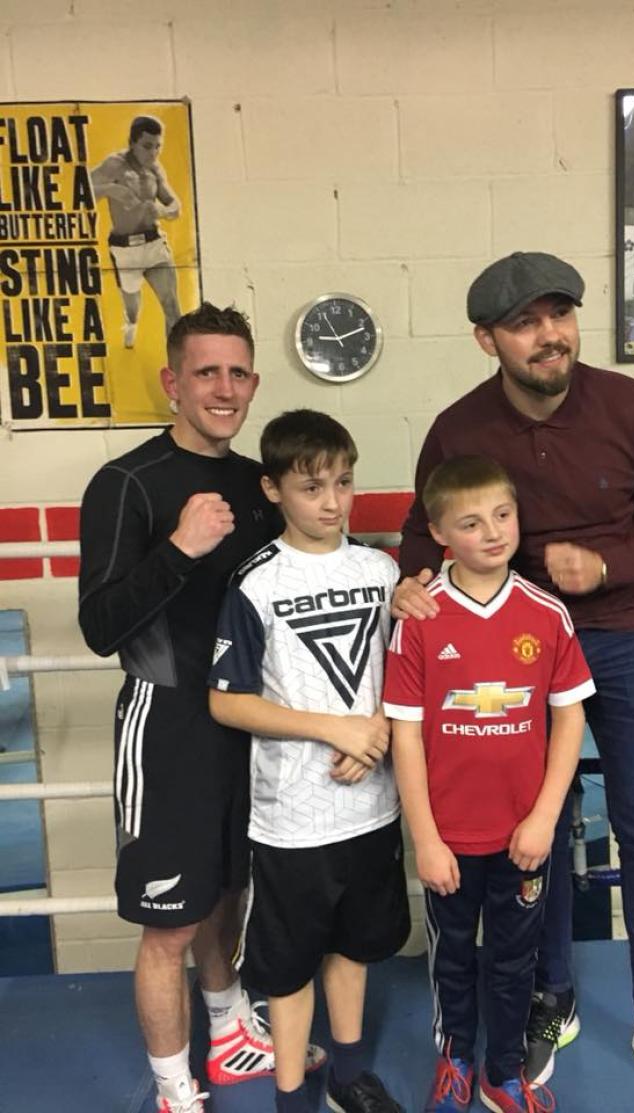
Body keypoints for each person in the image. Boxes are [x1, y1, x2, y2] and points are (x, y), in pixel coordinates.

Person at [394, 252, 634, 1113]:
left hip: (617, 639)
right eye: (526, 323)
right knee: (536, 829)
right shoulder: (456, 427)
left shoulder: (632, 405)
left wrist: (609, 562)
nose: (550, 336)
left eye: (560, 315)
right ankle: (554, 992)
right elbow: (420, 534)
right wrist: (407, 580)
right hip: (516, 661)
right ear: (486, 339)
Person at [78, 304, 324, 1113]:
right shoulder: (127, 483)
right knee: (170, 922)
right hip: (167, 720)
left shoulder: (256, 482)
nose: (224, 388)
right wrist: (177, 549)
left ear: (253, 381)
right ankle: (173, 1086)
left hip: (243, 721)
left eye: (237, 372)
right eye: (206, 372)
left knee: (227, 892)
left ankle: (229, 1028)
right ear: (172, 382)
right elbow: (99, 624)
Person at [208, 409, 410, 1113]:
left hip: (372, 805)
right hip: (293, 817)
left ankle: (349, 1075)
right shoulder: (256, 581)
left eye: (344, 482)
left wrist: (376, 728)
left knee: (354, 948)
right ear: (273, 490)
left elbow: (405, 676)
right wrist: (333, 728)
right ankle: (292, 1094)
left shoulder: (381, 570)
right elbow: (227, 701)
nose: (332, 501)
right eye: (312, 486)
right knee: (288, 969)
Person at [383, 455, 594, 1113]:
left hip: (521, 835)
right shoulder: (418, 615)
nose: (493, 531)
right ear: (442, 533)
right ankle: (454, 1062)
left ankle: (501, 1072)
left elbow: (569, 718)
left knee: (512, 961)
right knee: (451, 963)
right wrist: (425, 839)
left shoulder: (545, 612)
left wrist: (542, 818)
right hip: (448, 837)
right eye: (471, 522)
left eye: (502, 515)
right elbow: (405, 735)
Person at [92, 115, 182, 349]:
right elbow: (82, 189)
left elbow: (175, 207)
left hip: (154, 244)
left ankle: (176, 367)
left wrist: (161, 211)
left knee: (172, 306)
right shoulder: (114, 164)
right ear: (132, 142)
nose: (153, 153)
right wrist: (112, 189)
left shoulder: (155, 168)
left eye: (157, 147)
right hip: (124, 248)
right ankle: (130, 323)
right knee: (132, 303)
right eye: (147, 146)